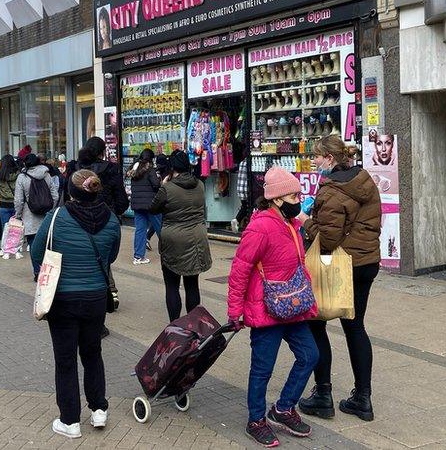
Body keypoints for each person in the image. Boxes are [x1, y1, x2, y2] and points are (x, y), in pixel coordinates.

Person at [227, 166, 319, 447]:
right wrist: (235, 310)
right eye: (294, 196)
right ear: (278, 199)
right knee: (262, 368)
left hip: (293, 306)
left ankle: (283, 407)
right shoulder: (260, 226)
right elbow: (240, 268)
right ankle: (256, 420)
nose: (298, 200)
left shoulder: (292, 224)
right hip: (266, 309)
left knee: (310, 355)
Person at [298, 135, 382, 422]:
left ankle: (323, 395)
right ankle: (363, 398)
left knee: (315, 322)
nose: (315, 160)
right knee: (355, 326)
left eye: (318, 156)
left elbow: (329, 238)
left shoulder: (332, 191)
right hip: (367, 261)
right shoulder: (364, 179)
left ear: (330, 159)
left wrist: (303, 220)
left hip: (340, 264)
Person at [31, 169, 119, 439]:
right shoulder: (113, 221)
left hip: (63, 297)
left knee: (65, 360)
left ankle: (70, 421)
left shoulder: (56, 218)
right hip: (95, 297)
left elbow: (37, 252)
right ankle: (99, 409)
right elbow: (110, 257)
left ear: (71, 191)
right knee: (93, 354)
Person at [149, 150, 211, 321]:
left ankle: (175, 325)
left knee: (172, 285)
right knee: (192, 285)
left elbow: (153, 208)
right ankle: (192, 324)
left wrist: (163, 185)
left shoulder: (167, 188)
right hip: (197, 238)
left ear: (172, 167)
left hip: (173, 239)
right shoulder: (200, 185)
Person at [14, 154, 58, 281]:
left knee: (33, 244)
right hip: (47, 216)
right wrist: (50, 209)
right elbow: (54, 195)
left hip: (29, 216)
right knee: (48, 244)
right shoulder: (46, 174)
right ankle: (49, 272)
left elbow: (19, 200)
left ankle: (38, 272)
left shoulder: (22, 177)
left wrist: (18, 215)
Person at [68, 137, 128, 216]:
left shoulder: (73, 167)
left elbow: (67, 195)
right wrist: (112, 213)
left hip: (77, 216)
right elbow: (121, 201)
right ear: (102, 152)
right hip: (106, 216)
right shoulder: (111, 169)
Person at [127, 149, 161, 264]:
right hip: (151, 204)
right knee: (161, 228)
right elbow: (156, 185)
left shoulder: (134, 169)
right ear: (151, 158)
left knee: (140, 230)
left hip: (137, 205)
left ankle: (138, 257)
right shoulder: (149, 169)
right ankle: (169, 253)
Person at [0, 154, 21, 259]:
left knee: (5, 228)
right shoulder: (18, 175)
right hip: (16, 204)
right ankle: (16, 249)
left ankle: (4, 250)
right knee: (17, 228)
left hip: (3, 205)